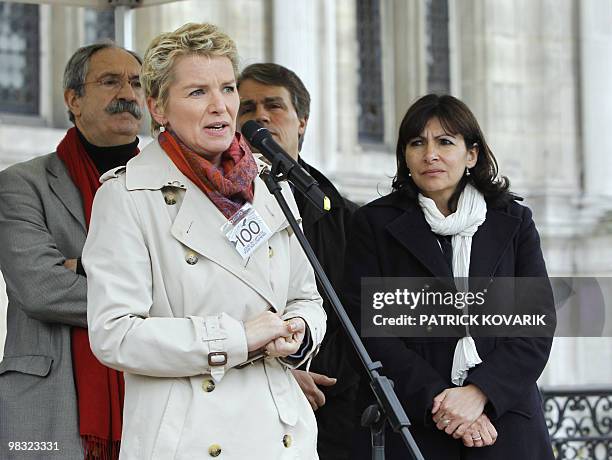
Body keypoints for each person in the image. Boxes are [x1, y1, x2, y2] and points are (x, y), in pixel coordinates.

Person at [82, 23, 326, 460]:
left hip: (283, 436)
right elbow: (114, 335)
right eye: (197, 92)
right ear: (158, 106)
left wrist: (300, 331)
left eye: (228, 88)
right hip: (191, 440)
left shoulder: (271, 185)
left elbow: (307, 297)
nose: (221, 106)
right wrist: (235, 337)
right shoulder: (126, 196)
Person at [343, 94, 555, 459]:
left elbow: (535, 325)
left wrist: (479, 393)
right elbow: (368, 330)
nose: (430, 155)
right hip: (414, 422)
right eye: (417, 143)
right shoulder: (374, 225)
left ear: (471, 154)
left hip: (506, 421)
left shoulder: (514, 221)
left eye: (445, 142)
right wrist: (442, 404)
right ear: (405, 156)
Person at [0, 43, 144, 459]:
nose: (128, 94)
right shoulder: (21, 185)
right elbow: (41, 289)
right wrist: (146, 294)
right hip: (49, 408)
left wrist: (81, 267)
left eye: (136, 83)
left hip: (148, 398)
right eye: (110, 81)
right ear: (73, 99)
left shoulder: (166, 188)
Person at [237, 63, 360, 460]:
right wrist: (285, 376)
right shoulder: (218, 206)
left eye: (274, 105)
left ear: (302, 121)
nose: (260, 116)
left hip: (335, 408)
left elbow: (355, 314)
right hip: (247, 404)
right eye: (247, 108)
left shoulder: (344, 215)